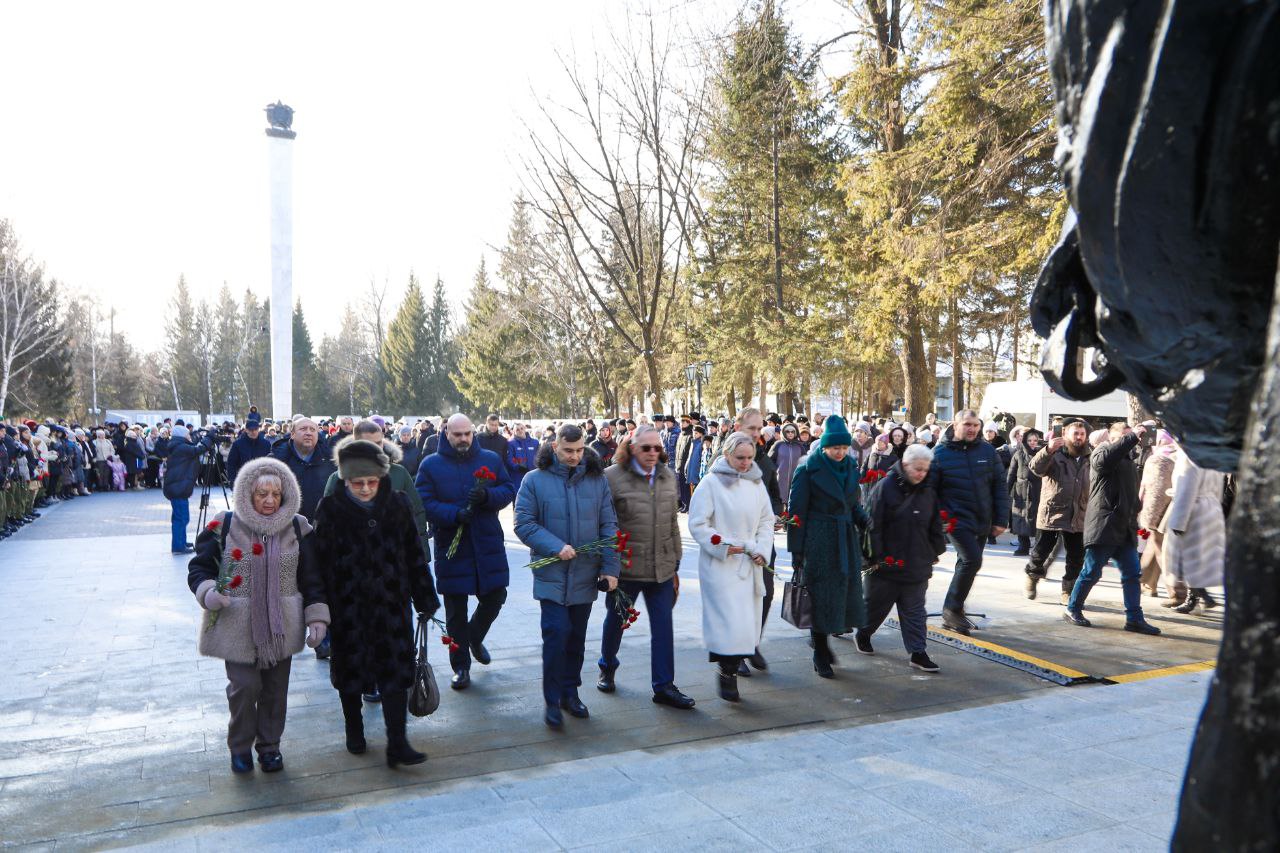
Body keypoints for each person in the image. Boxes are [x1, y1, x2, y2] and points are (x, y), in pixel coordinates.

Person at [187, 457, 328, 774]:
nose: (269, 500)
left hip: (281, 626)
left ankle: (269, 747)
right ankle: (239, 746)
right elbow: (199, 568)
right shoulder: (223, 525)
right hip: (236, 625)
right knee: (245, 688)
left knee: (275, 692)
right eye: (261, 494)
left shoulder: (298, 528)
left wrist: (317, 617)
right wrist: (209, 592)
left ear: (285, 495)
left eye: (275, 494)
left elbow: (312, 578)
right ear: (247, 494)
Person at [310, 439, 440, 766]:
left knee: (396, 671)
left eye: (372, 481)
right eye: (357, 483)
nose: (365, 488)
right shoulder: (330, 508)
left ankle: (398, 742)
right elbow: (319, 562)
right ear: (344, 480)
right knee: (351, 670)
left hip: (391, 604)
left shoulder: (397, 504)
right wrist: (320, 606)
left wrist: (425, 595)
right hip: (348, 606)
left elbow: (413, 553)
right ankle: (354, 727)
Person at [514, 425, 620, 728]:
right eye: (567, 451)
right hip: (552, 573)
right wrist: (555, 546)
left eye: (578, 450)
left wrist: (611, 568)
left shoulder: (596, 480)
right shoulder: (534, 480)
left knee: (576, 638)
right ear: (554, 447)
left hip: (586, 575)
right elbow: (524, 523)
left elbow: (608, 525)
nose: (574, 456)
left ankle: (570, 693)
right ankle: (551, 700)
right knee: (556, 634)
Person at [597, 427, 695, 710]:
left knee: (663, 626)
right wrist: (607, 566)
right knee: (615, 621)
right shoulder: (612, 477)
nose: (653, 453)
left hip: (661, 569)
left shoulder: (666, 476)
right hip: (625, 569)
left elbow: (672, 522)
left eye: (657, 448)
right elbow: (604, 525)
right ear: (631, 448)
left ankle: (664, 685)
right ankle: (607, 665)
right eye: (646, 448)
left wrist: (675, 561)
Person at [415, 414, 515, 689]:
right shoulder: (431, 465)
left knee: (495, 596)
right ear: (446, 433)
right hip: (452, 545)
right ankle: (460, 666)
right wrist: (453, 514)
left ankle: (475, 636)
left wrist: (487, 497)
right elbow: (423, 500)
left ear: (473, 433)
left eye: (467, 434)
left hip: (486, 542)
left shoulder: (491, 460)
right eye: (457, 434)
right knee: (455, 610)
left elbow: (508, 489)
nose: (463, 439)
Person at [688, 431, 775, 701]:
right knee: (728, 622)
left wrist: (761, 549)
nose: (746, 463)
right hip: (722, 566)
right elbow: (699, 524)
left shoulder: (757, 483)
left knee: (746, 622)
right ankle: (727, 672)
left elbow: (766, 520)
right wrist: (722, 544)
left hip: (749, 564)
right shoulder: (711, 483)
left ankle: (732, 667)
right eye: (740, 458)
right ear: (726, 455)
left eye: (749, 457)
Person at [785, 416, 871, 678]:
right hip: (818, 540)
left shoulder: (850, 468)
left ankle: (825, 644)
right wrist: (797, 551)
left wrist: (864, 519)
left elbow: (852, 503)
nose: (840, 452)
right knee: (820, 597)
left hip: (844, 539)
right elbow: (796, 514)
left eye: (844, 448)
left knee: (841, 596)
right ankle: (820, 651)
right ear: (824, 447)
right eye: (835, 448)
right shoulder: (807, 471)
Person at [1063, 422, 1161, 634]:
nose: (1132, 439)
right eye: (1125, 436)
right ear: (1112, 437)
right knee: (1091, 572)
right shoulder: (1101, 452)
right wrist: (1132, 436)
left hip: (1124, 529)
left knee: (1132, 574)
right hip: (1104, 526)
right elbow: (1106, 461)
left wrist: (1137, 509)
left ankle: (1134, 618)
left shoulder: (1128, 460)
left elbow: (1131, 493)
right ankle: (1073, 609)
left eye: (1132, 435)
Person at [859, 444, 946, 672]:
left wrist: (935, 550)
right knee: (875, 607)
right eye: (918, 469)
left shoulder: (928, 490)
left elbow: (934, 524)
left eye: (925, 470)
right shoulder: (885, 487)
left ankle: (918, 653)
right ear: (906, 465)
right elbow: (872, 525)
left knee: (915, 611)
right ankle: (864, 632)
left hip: (917, 563)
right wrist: (873, 557)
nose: (921, 474)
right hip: (886, 565)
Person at [928, 410, 1010, 635]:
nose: (972, 429)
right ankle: (951, 609)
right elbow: (930, 491)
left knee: (966, 563)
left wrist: (1001, 519)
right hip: (955, 520)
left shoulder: (987, 451)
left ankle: (956, 607)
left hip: (982, 518)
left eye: (976, 425)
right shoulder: (939, 453)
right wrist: (939, 519)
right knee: (971, 560)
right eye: (967, 424)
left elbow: (999, 486)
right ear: (955, 425)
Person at [1024, 421, 1090, 603]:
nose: (1079, 437)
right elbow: (1035, 469)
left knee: (1076, 557)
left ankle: (1067, 591)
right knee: (1041, 552)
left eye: (1082, 434)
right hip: (1052, 512)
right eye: (1075, 433)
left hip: (1079, 514)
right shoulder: (1055, 453)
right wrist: (1048, 451)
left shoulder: (1090, 456)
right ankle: (1032, 576)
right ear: (1066, 434)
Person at [1161, 445, 1225, 614]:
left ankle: (1199, 597)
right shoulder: (1214, 453)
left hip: (1192, 510)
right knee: (1198, 558)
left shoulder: (1189, 453)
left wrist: (1178, 521)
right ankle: (1199, 597)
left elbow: (1187, 487)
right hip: (1211, 508)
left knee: (1185, 559)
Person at [1138, 430, 1178, 601]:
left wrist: (1141, 510)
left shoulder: (1156, 459)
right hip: (1172, 509)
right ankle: (1148, 584)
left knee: (1160, 549)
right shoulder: (1177, 456)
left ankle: (1175, 591)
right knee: (1153, 547)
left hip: (1155, 511)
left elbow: (1148, 488)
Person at [163, 426, 214, 555]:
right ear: (181, 435)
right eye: (187, 434)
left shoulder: (177, 445)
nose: (189, 436)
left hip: (177, 487)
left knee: (179, 517)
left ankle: (180, 542)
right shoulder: (181, 447)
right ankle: (178, 546)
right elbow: (198, 450)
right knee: (181, 518)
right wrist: (209, 438)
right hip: (178, 488)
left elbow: (194, 447)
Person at [1006, 428, 1044, 556]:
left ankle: (1039, 548)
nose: (1033, 442)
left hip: (1038, 490)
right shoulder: (1018, 454)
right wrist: (1006, 490)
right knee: (1020, 518)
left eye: (1035, 440)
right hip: (1021, 491)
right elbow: (1011, 474)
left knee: (1037, 519)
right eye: (1030, 440)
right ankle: (1023, 546)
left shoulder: (1042, 453)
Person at [226, 412, 271, 487]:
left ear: (258, 429)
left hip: (262, 481)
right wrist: (232, 480)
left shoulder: (266, 444)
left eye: (255, 429)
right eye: (251, 430)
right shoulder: (238, 444)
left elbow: (270, 463)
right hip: (243, 480)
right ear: (246, 430)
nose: (253, 432)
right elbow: (231, 464)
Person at [768, 423, 806, 509]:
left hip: (795, 479)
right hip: (780, 479)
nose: (790, 433)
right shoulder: (778, 445)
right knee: (780, 504)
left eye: (792, 431)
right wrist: (776, 471)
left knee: (793, 503)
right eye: (787, 431)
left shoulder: (799, 446)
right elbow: (769, 461)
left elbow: (805, 462)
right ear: (783, 432)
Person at [506, 422, 541, 491]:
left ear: (525, 429)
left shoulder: (535, 442)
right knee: (518, 499)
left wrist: (539, 467)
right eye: (517, 430)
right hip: (518, 477)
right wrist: (518, 467)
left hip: (533, 475)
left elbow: (540, 457)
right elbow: (509, 459)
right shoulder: (511, 443)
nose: (520, 431)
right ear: (513, 431)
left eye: (522, 428)